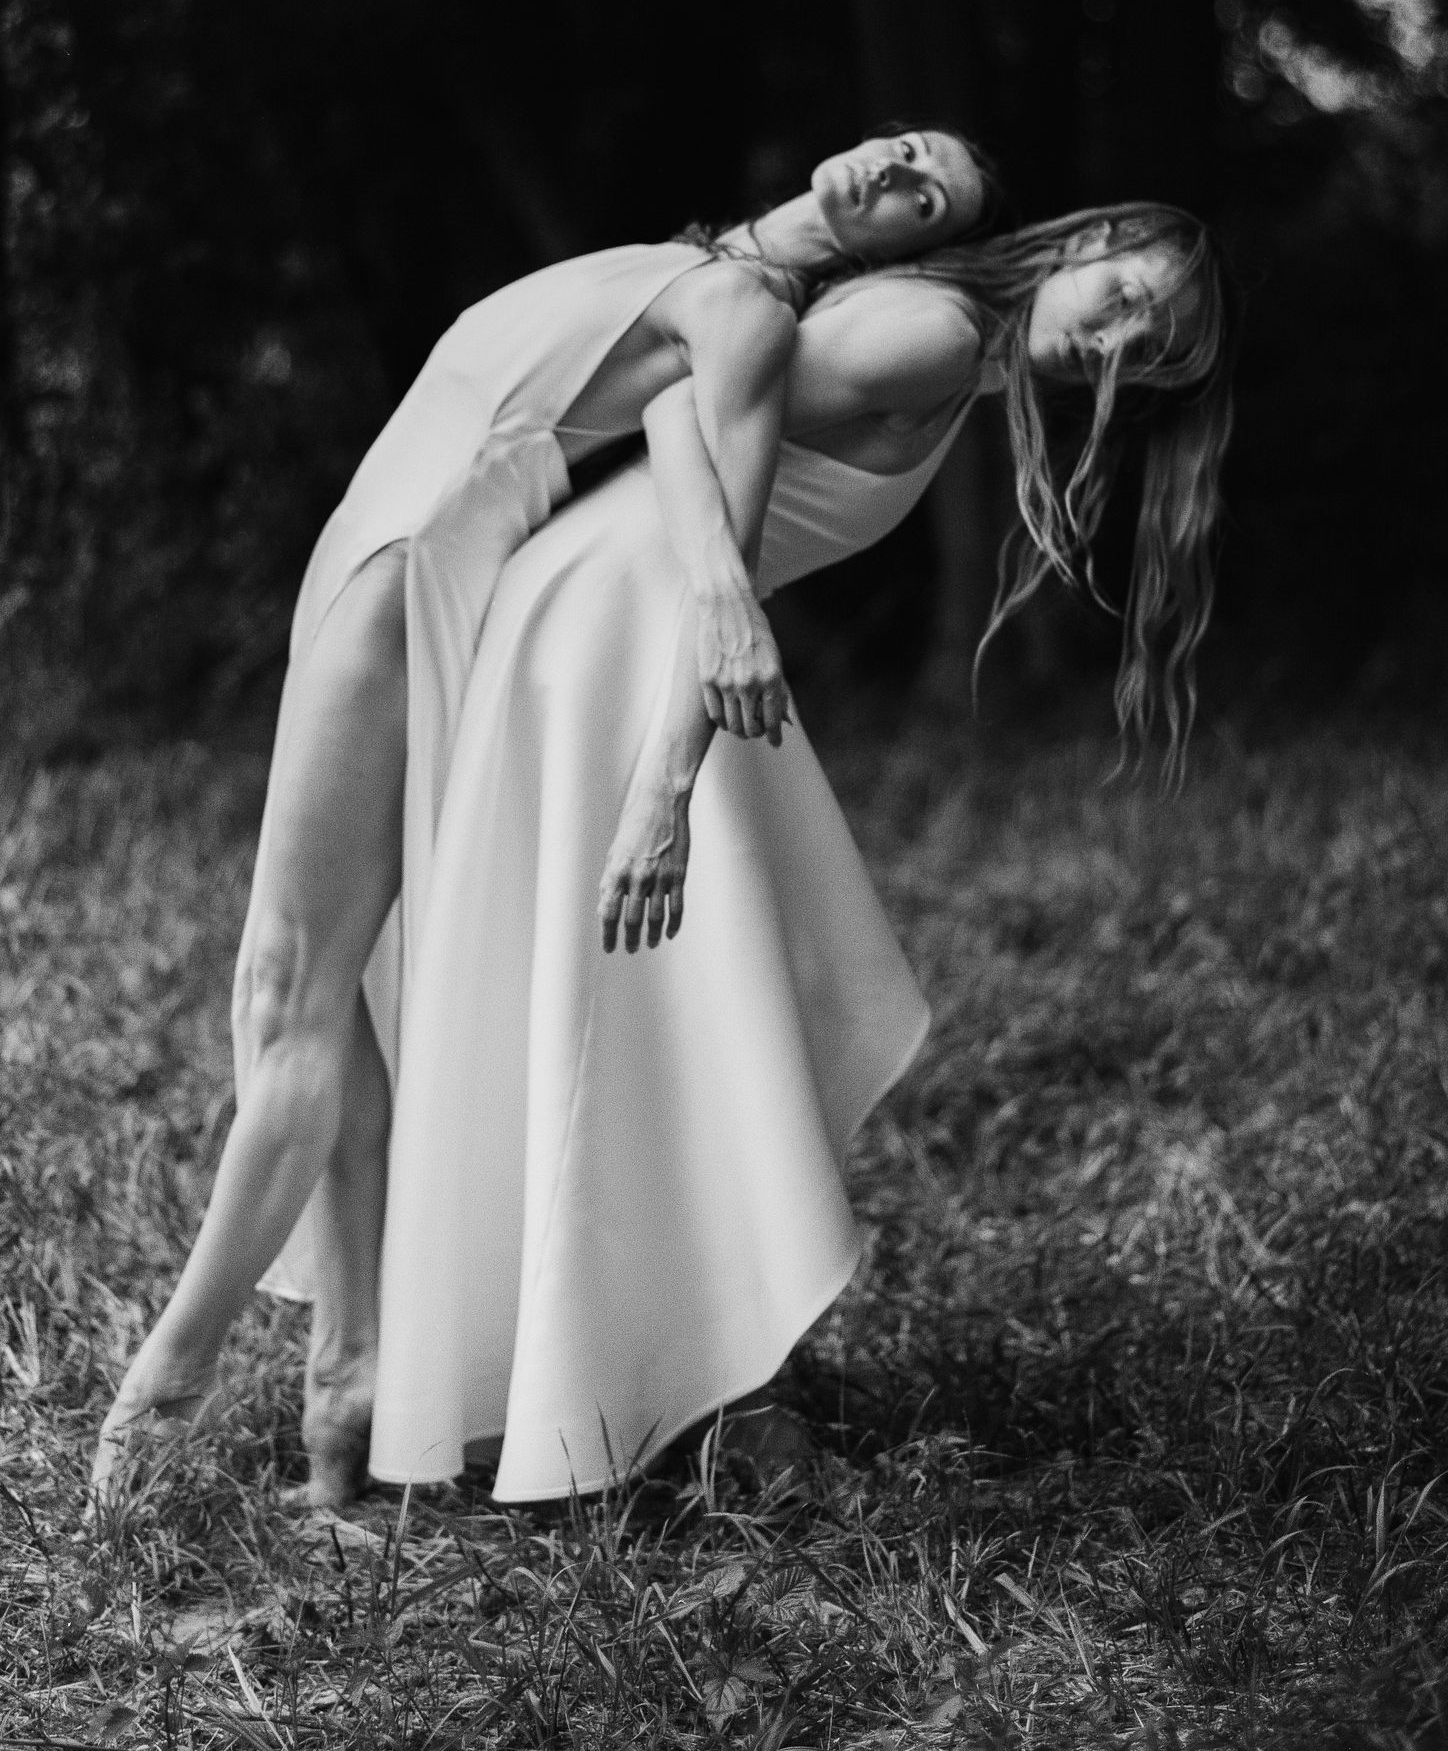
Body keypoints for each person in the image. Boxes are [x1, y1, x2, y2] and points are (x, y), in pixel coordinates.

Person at [88, 128, 996, 1508]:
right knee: (339, 1014)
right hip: (366, 566)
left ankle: (168, 1379)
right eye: (909, 149)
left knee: (284, 995)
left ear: (897, 252)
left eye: (928, 199)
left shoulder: (746, 319)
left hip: (402, 584)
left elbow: (722, 559)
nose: (897, 171)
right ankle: (349, 1386)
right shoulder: (696, 268)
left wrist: (681, 739)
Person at [341, 201, 1233, 1502]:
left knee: (683, 1002)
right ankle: (697, 1382)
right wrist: (670, 767)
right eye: (1129, 294)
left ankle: (663, 1369)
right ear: (1080, 244)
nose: (1129, 340)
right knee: (708, 992)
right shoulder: (933, 329)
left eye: (1159, 348)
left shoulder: (962, 354)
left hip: (634, 617)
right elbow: (681, 391)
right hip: (627, 626)